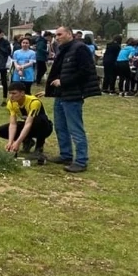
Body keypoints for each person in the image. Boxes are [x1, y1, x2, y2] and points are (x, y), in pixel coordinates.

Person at [38, 26, 101, 172]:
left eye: (60, 34)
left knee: (75, 128)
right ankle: (65, 154)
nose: (57, 37)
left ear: (69, 34)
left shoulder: (80, 48)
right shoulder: (63, 50)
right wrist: (51, 89)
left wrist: (63, 82)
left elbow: (85, 71)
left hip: (73, 95)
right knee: (60, 127)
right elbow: (60, 71)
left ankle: (81, 161)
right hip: (61, 94)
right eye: (56, 35)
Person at [0, 81, 53, 160]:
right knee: (1, 130)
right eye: (10, 93)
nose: (11, 96)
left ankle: (39, 149)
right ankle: (27, 141)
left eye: (14, 93)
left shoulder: (34, 102)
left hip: (43, 127)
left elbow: (28, 124)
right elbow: (13, 124)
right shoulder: (11, 103)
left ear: (22, 93)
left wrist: (18, 142)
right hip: (28, 125)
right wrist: (10, 142)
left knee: (39, 120)